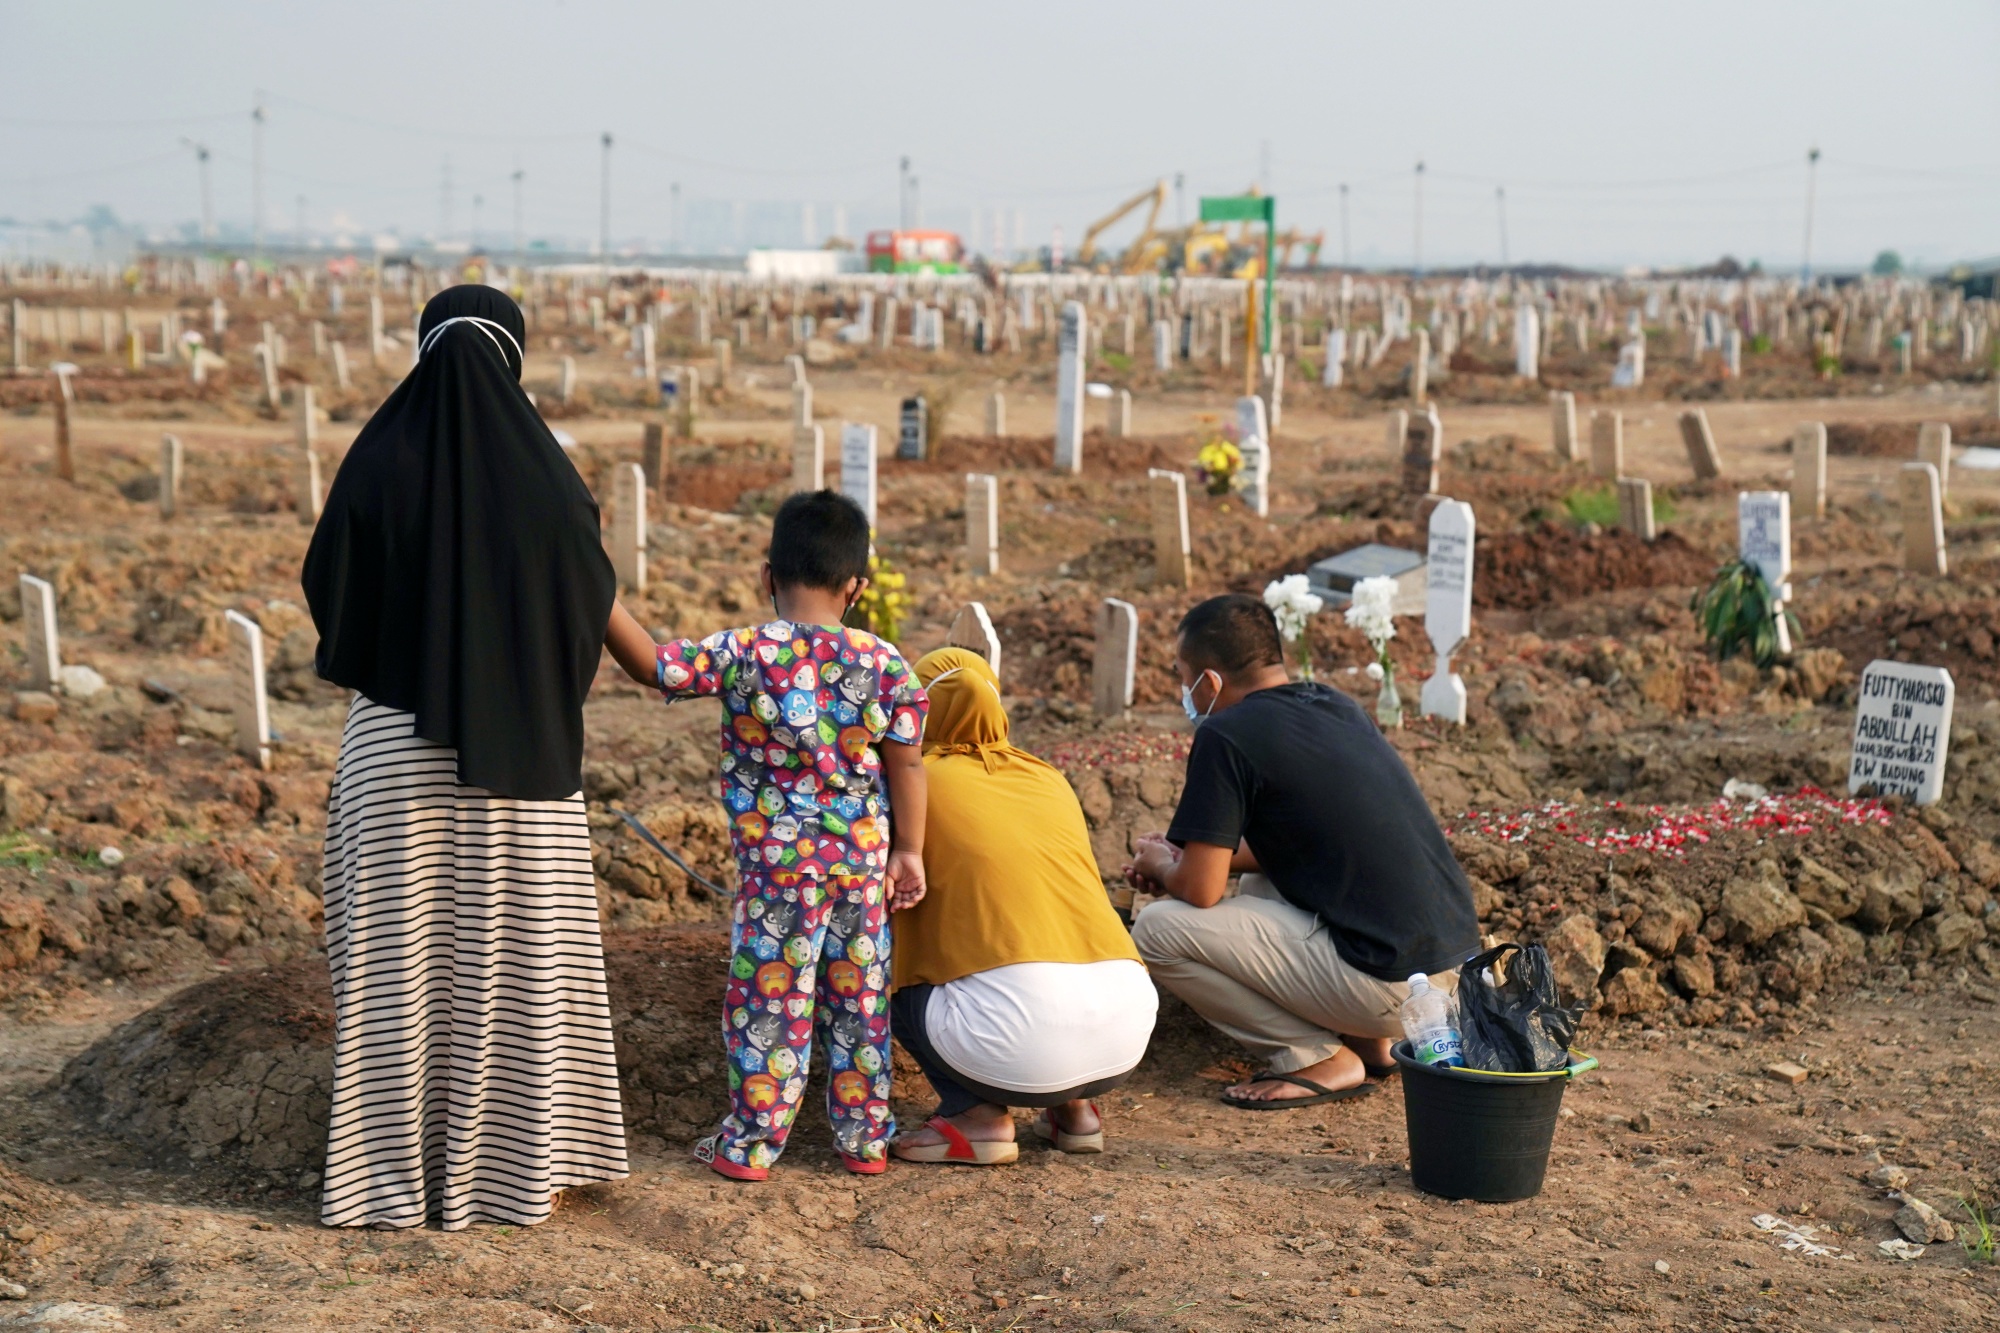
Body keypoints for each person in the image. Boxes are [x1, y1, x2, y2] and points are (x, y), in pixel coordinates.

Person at [302, 284, 652, 1229]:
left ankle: (383, 1184)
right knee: (517, 967)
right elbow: (587, 605)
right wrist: (518, 686)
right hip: (521, 760)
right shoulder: (550, 486)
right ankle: (510, 1176)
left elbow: (327, 589)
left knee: (395, 971)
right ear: (514, 359)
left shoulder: (377, 461)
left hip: (391, 749)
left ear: (425, 353)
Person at [653, 490, 929, 1181]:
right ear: (858, 586)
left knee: (769, 1002)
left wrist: (588, 590)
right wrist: (909, 850)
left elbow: (656, 666)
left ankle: (751, 1144)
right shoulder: (887, 662)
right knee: (860, 999)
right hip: (862, 866)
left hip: (778, 870)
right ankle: (864, 1140)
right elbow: (909, 762)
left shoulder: (745, 650)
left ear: (767, 573)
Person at [1125, 594, 1479, 1110]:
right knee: (1258, 881)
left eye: (1183, 676)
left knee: (1158, 929)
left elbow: (1199, 890)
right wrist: (1185, 861)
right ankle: (1370, 1045)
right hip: (1449, 979)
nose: (1184, 692)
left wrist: (1160, 863)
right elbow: (1311, 839)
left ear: (1210, 680)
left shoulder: (1226, 734)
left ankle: (1315, 1057)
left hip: (1391, 989)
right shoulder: (1337, 705)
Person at [887, 649, 1157, 1166]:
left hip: (1014, 1045)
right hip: (1126, 1035)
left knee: (890, 965)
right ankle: (1075, 1112)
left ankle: (978, 1117)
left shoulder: (916, 785)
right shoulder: (1047, 777)